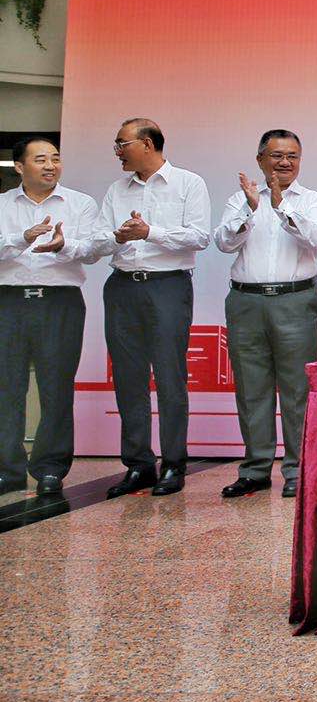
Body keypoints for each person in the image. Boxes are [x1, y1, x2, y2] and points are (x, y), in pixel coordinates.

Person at [213, 130, 317, 500]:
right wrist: (251, 209)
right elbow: (223, 242)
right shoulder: (241, 198)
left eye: (292, 156)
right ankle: (255, 469)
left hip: (295, 300)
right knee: (252, 388)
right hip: (246, 302)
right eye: (277, 155)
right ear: (261, 159)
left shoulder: (313, 200)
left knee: (297, 390)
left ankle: (297, 470)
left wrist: (281, 206)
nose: (285, 162)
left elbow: (315, 238)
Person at [100, 118, 211, 498]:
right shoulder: (117, 189)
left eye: (122, 144)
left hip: (167, 286)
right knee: (128, 378)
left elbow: (199, 237)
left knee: (169, 376)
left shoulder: (188, 183)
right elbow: (100, 238)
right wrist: (116, 236)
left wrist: (150, 233)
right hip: (121, 287)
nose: (117, 152)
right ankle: (139, 464)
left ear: (147, 144)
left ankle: (174, 463)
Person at [0, 136, 105, 497]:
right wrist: (21, 238)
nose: (50, 166)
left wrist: (64, 246)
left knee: (56, 388)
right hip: (8, 301)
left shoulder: (80, 203)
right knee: (6, 388)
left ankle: (49, 469)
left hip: (60, 302)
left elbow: (92, 249)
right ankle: (8, 470)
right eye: (41, 159)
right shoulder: (2, 204)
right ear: (19, 167)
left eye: (55, 159)